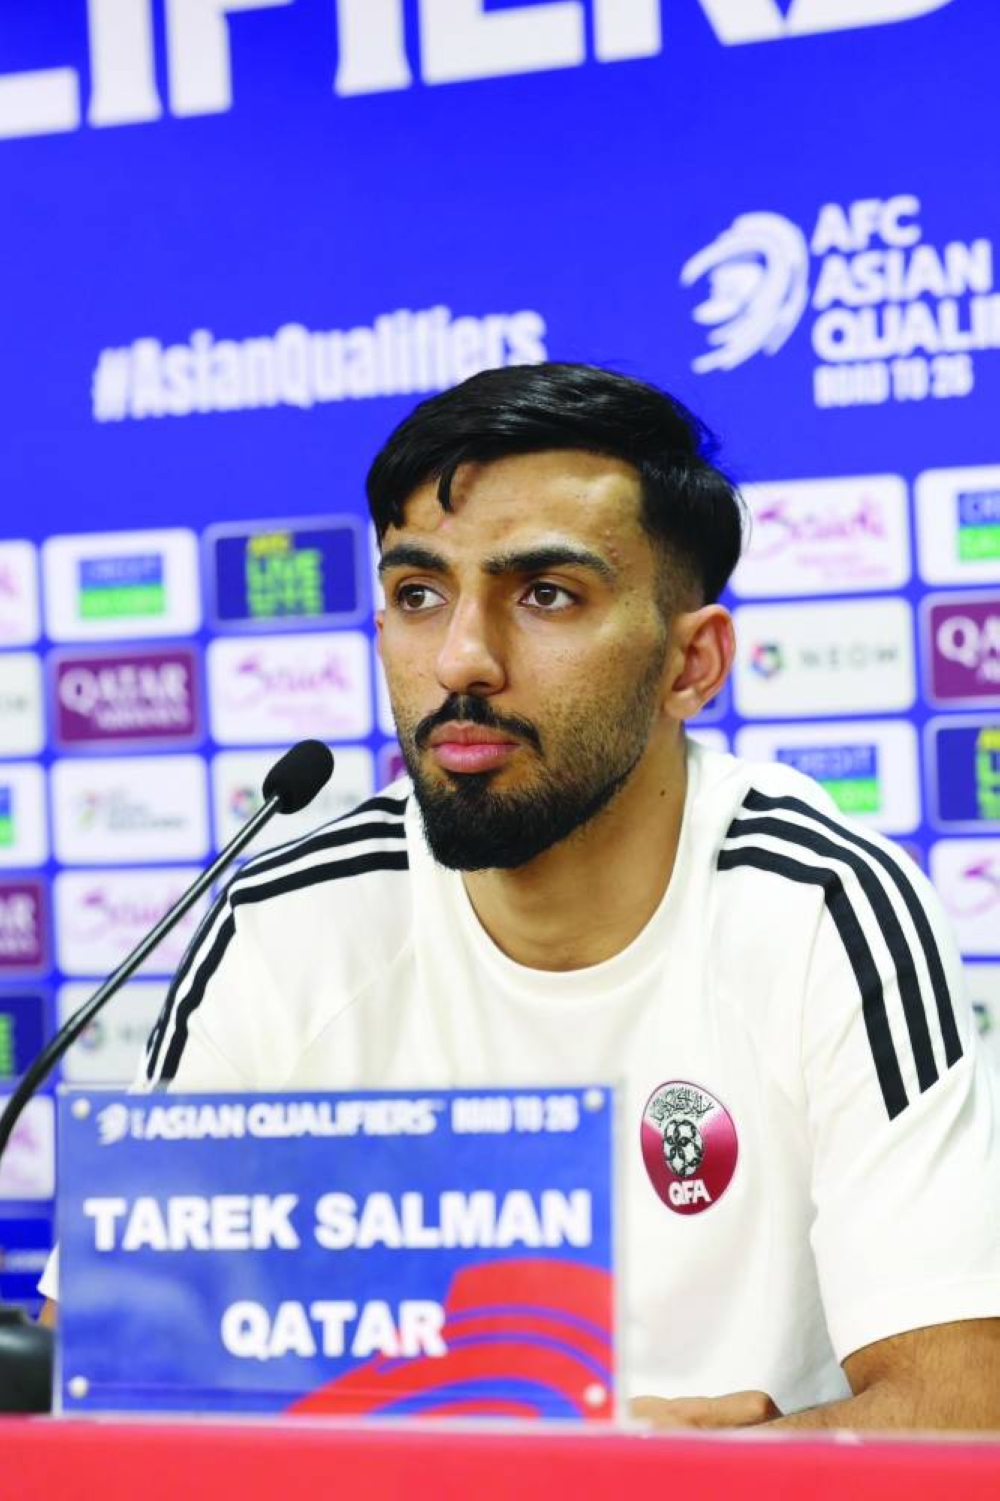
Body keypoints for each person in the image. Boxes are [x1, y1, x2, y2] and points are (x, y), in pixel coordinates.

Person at [42, 363, 1000, 1428]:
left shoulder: (824, 906)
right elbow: (101, 1385)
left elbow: (963, 1407)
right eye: (419, 594)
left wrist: (666, 1482)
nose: (462, 659)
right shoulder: (285, 922)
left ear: (692, 663)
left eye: (545, 594)